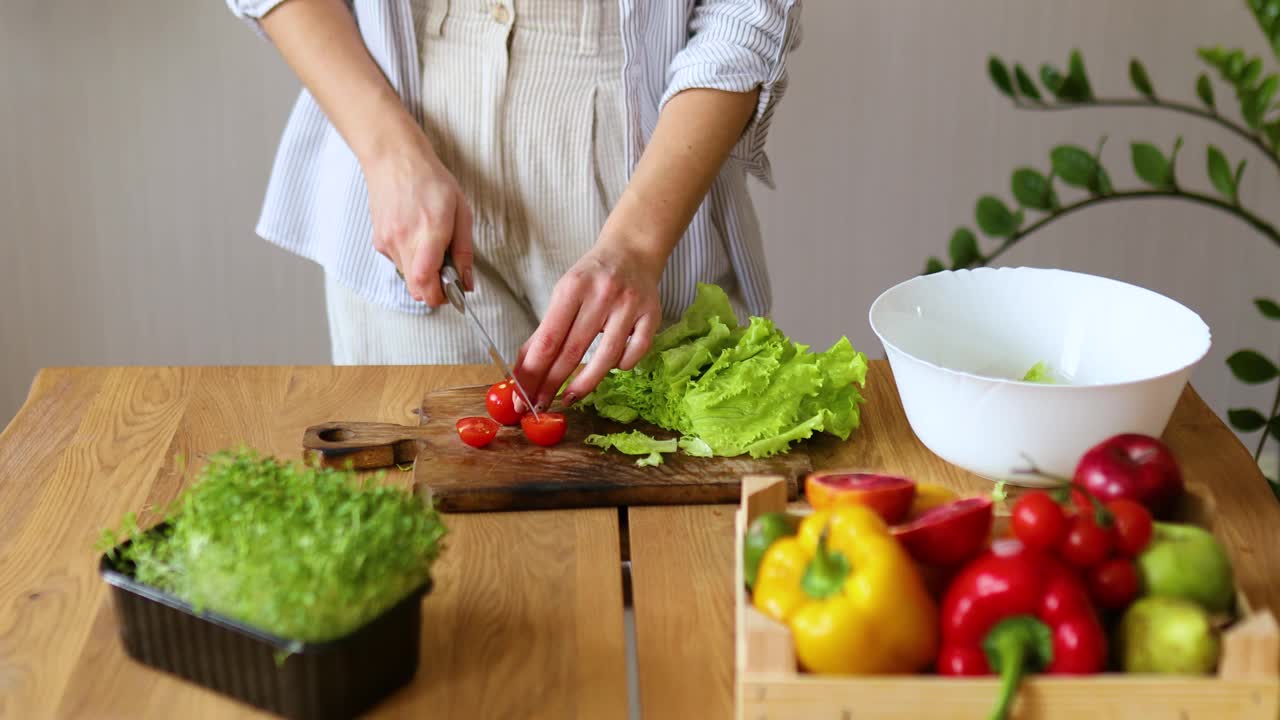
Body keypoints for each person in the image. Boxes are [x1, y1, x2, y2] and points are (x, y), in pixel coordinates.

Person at [225, 0, 801, 410]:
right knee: (420, 520)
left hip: (651, 165)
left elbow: (747, 12)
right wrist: (387, 153)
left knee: (672, 528)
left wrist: (639, 242)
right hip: (401, 115)